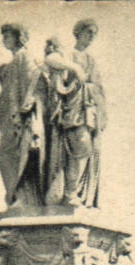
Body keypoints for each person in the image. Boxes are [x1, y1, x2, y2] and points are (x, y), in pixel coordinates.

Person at [41, 20, 103, 208]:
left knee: (85, 149)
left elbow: (98, 87)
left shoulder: (91, 60)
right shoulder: (68, 53)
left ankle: (72, 193)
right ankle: (69, 194)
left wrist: (92, 90)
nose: (91, 36)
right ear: (78, 33)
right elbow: (50, 59)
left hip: (86, 110)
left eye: (94, 33)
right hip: (70, 110)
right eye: (88, 32)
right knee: (79, 147)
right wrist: (74, 68)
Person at [0, 24, 44, 207]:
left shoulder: (24, 56)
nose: (5, 39)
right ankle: (17, 196)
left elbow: (33, 81)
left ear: (19, 37)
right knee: (9, 155)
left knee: (11, 154)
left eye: (8, 35)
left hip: (21, 120)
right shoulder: (15, 60)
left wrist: (26, 108)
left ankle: (20, 197)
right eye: (4, 36)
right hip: (11, 121)